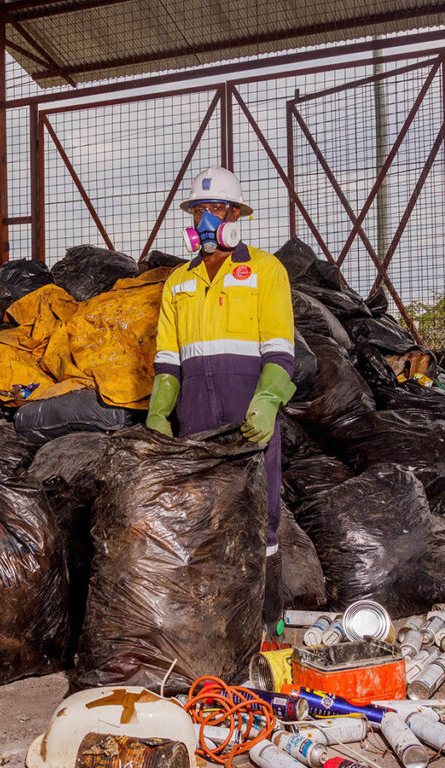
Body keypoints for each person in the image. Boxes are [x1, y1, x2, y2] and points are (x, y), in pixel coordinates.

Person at [146, 166, 296, 638]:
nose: (206, 220)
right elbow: (168, 361)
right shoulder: (177, 282)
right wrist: (157, 411)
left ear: (236, 215)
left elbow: (279, 350)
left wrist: (268, 401)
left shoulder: (266, 271)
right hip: (195, 415)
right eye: (198, 211)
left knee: (259, 516)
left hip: (248, 410)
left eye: (215, 210)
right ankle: (213, 626)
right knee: (204, 516)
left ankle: (267, 622)